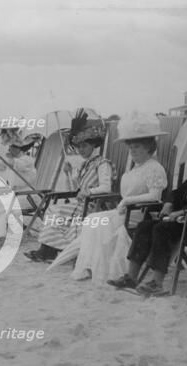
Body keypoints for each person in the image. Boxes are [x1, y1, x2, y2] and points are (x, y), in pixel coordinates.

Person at [51, 114, 168, 282]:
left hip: (139, 214)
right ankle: (89, 266)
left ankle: (96, 268)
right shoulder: (134, 169)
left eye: (137, 147)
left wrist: (127, 201)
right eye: (131, 147)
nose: (132, 151)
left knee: (98, 223)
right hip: (123, 212)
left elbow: (155, 196)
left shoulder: (154, 168)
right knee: (91, 219)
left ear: (149, 148)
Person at [107, 160, 187, 294]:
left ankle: (157, 283)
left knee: (162, 229)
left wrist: (183, 212)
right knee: (144, 226)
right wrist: (168, 203)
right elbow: (177, 192)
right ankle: (131, 277)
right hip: (182, 221)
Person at [25, 109, 112, 262]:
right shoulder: (84, 165)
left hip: (94, 205)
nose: (81, 150)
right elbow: (75, 188)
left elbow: (106, 188)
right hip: (80, 203)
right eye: (78, 147)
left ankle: (50, 251)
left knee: (58, 211)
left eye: (84, 146)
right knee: (54, 209)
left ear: (93, 145)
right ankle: (47, 249)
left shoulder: (102, 164)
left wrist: (89, 192)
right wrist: (68, 173)